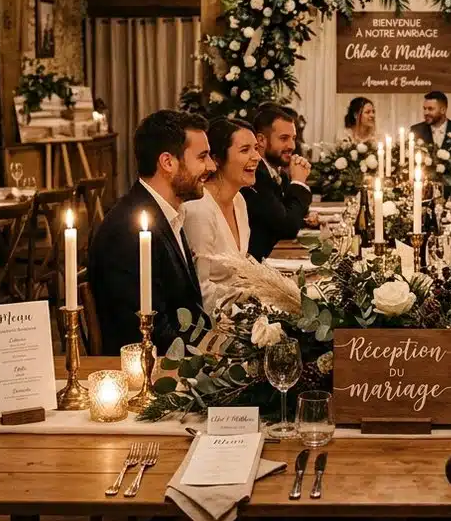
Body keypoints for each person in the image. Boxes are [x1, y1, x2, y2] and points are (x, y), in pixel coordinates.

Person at [89, 110, 213, 354]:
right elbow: (150, 333)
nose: (211, 166)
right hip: (151, 373)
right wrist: (213, 358)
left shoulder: (168, 213)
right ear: (167, 162)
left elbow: (186, 308)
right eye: (202, 157)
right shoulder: (128, 231)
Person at [184, 118, 260, 314]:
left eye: (256, 148)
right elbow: (200, 290)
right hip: (211, 322)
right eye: (245, 150)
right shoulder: (199, 209)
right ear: (217, 159)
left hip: (241, 312)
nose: (257, 157)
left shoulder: (239, 201)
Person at [244, 104, 314, 261]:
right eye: (284, 139)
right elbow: (287, 228)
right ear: (261, 140)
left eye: (293, 138)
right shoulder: (255, 175)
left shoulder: (274, 171)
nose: (292, 146)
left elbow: (287, 213)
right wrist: (298, 183)